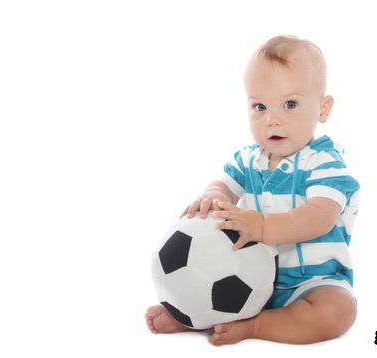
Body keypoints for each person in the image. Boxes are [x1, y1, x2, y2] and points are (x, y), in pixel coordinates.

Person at [145, 35, 360, 345]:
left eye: (290, 104)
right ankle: (192, 314)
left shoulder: (325, 162)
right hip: (250, 275)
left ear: (323, 109)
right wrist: (213, 196)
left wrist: (262, 227)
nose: (272, 119)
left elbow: (320, 217)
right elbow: (223, 185)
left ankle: (257, 325)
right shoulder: (249, 159)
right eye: (260, 106)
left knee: (338, 311)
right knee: (207, 275)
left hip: (314, 282)